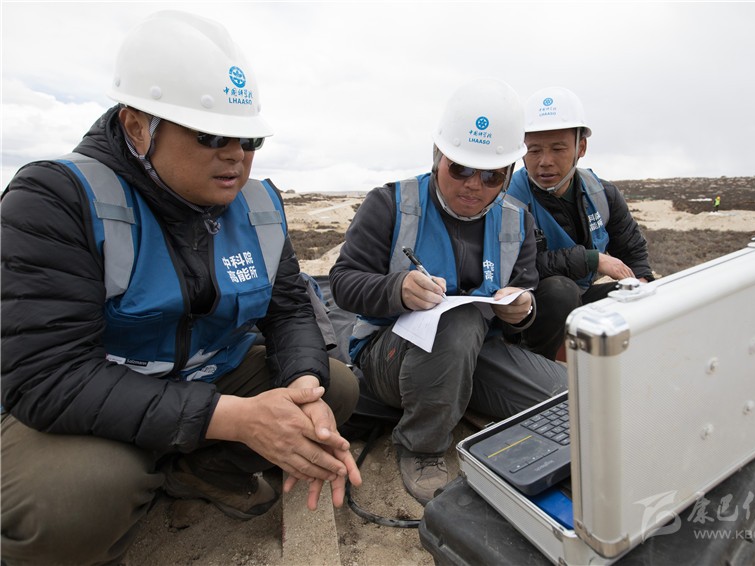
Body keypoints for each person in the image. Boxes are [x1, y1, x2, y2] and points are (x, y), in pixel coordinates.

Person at [0, 11, 361, 565]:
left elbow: (289, 310)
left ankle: (194, 472)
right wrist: (236, 419)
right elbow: (46, 377)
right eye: (211, 135)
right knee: (74, 498)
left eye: (250, 138)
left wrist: (303, 387)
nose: (236, 154)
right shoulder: (54, 199)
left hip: (207, 377)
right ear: (137, 127)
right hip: (93, 401)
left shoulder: (260, 205)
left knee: (335, 388)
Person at [329, 78, 567, 505]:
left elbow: (526, 290)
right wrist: (397, 289)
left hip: (477, 354)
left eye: (492, 176)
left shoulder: (517, 220)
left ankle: (452, 398)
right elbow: (344, 282)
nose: (474, 184)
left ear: (508, 173)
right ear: (438, 155)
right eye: (460, 169)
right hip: (389, 352)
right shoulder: (390, 204)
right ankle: (422, 445)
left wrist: (523, 308)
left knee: (567, 400)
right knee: (457, 320)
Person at [507, 87, 653, 361]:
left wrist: (641, 284)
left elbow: (632, 251)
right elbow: (518, 269)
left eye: (558, 148)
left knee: (639, 294)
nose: (545, 161)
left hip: (581, 299)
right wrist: (591, 259)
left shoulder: (602, 193)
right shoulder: (507, 202)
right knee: (560, 291)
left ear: (581, 147)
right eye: (534, 150)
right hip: (528, 312)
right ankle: (535, 367)